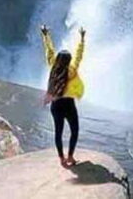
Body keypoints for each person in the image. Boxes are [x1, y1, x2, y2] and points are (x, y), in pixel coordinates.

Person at [40, 24, 85, 168]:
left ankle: (61, 159)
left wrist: (45, 35)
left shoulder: (53, 65)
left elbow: (49, 50)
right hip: (69, 105)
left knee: (58, 132)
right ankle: (70, 156)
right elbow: (79, 56)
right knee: (75, 130)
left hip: (55, 104)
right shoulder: (71, 70)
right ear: (68, 60)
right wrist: (82, 39)